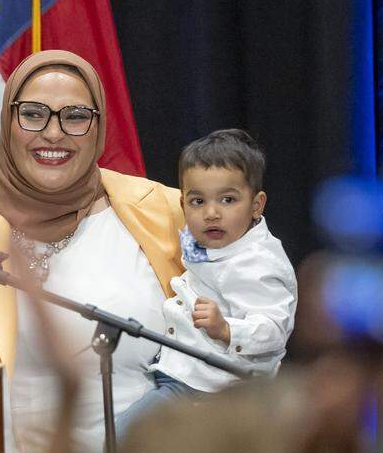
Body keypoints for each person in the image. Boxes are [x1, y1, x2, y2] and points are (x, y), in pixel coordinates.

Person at [0, 50, 184, 453]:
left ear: (98, 126)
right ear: (8, 120)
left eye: (75, 116)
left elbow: (240, 333)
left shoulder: (167, 212)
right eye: (34, 114)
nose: (54, 133)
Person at [117, 129, 297, 431]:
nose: (211, 213)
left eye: (227, 200)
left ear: (257, 205)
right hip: (180, 374)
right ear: (182, 205)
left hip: (211, 390)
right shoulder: (199, 240)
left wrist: (226, 329)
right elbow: (193, 263)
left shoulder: (259, 263)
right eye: (198, 201)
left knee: (124, 440)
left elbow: (273, 330)